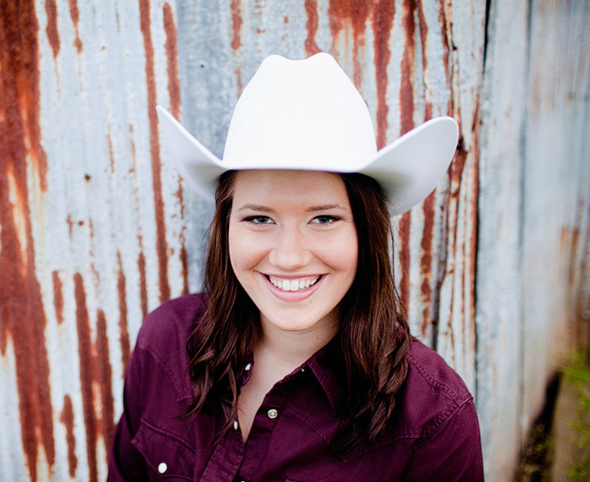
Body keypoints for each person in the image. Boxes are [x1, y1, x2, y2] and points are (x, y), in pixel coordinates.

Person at [108, 53, 483, 481]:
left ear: (366, 232)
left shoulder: (431, 419)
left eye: (323, 218)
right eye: (259, 218)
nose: (288, 257)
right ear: (226, 227)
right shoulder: (165, 344)